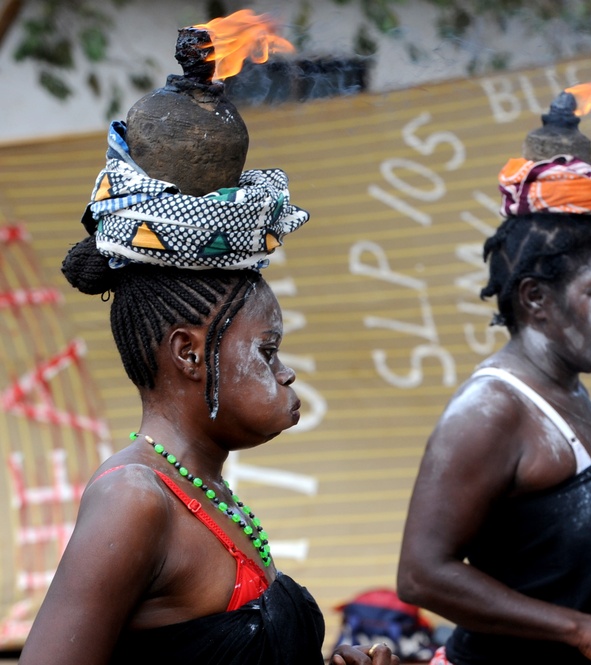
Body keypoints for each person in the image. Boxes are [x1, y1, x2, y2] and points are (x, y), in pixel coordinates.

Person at [18, 122, 397, 665]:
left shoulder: (207, 490)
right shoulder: (135, 499)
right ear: (189, 353)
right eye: (267, 352)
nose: (286, 374)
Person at [396, 151, 591, 665]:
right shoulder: (490, 411)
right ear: (535, 299)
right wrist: (583, 629)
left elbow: (554, 550)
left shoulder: (571, 391)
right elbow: (423, 574)